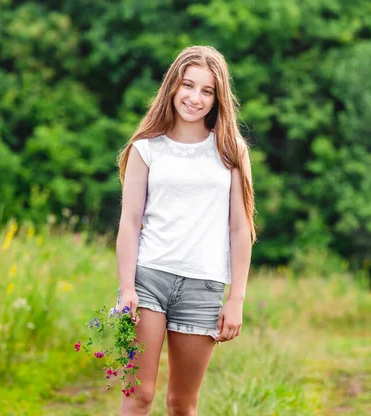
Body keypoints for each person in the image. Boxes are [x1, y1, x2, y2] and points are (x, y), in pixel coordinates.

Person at [115, 45, 256, 416]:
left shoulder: (231, 151)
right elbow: (129, 223)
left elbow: (240, 229)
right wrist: (127, 287)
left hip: (203, 286)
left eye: (206, 90)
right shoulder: (145, 149)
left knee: (182, 403)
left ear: (217, 97)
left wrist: (236, 299)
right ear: (172, 88)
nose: (195, 98)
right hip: (149, 280)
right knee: (138, 395)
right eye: (188, 86)